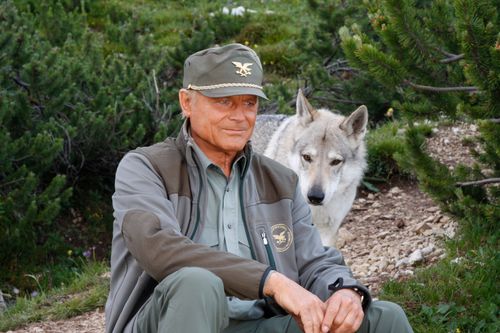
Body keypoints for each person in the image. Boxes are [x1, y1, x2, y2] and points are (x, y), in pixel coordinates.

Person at [105, 43, 414, 333]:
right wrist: (272, 282)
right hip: (169, 321)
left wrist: (344, 289)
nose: (240, 117)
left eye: (249, 103)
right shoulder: (145, 168)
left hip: (259, 324)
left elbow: (313, 260)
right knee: (196, 283)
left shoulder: (280, 180)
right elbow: (157, 248)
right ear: (187, 102)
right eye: (224, 101)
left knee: (384, 319)